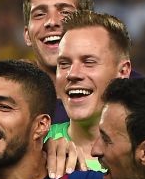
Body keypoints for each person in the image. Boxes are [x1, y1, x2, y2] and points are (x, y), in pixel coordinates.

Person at [49, 10, 132, 169]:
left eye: (89, 62)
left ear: (122, 71)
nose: (72, 74)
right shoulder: (34, 146)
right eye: (64, 64)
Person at [19, 0, 94, 124]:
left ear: (88, 24)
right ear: (27, 35)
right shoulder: (8, 105)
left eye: (65, 12)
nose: (52, 22)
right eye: (40, 14)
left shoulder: (119, 97)